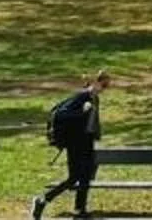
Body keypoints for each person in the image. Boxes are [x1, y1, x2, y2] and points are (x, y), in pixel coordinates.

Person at [41, 71, 111, 217]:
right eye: (104, 84)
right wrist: (82, 112)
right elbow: (62, 115)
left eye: (107, 86)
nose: (105, 89)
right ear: (96, 82)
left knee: (85, 177)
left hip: (87, 141)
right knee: (74, 178)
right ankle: (44, 199)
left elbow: (92, 121)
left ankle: (80, 210)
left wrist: (95, 134)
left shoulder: (94, 98)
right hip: (75, 143)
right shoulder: (82, 97)